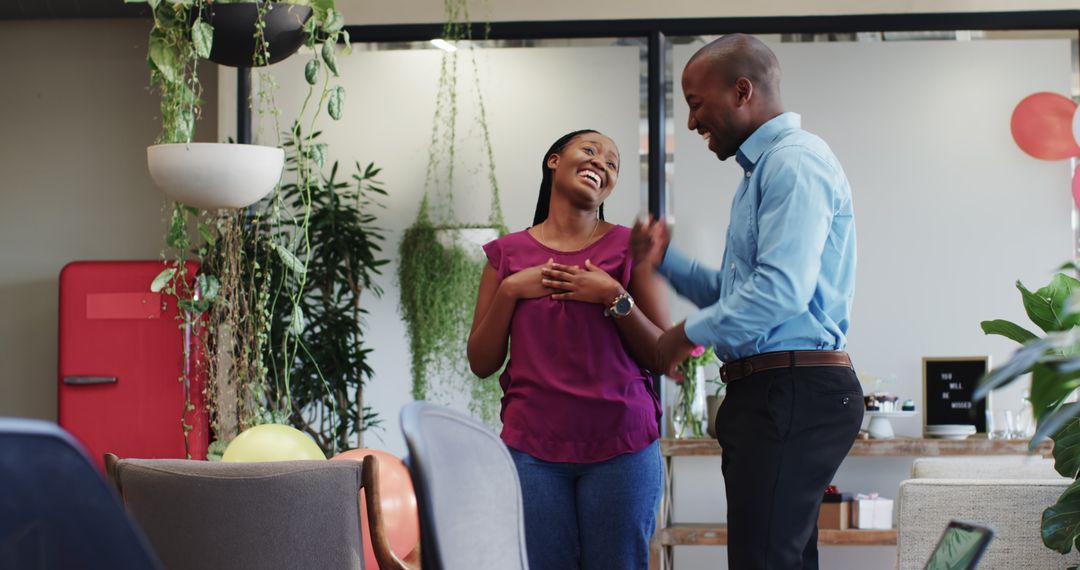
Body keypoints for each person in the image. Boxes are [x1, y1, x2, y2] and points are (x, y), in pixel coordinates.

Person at [632, 34, 862, 569]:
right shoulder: (762, 172)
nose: (691, 122)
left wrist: (681, 334)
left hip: (792, 392)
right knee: (780, 559)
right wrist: (666, 260)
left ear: (741, 91)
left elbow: (782, 292)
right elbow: (744, 295)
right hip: (774, 392)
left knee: (764, 561)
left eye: (695, 103)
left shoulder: (793, 163)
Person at [467, 129, 670, 570]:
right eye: (591, 151)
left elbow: (662, 354)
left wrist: (613, 294)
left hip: (623, 450)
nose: (602, 163)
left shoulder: (626, 249)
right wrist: (511, 292)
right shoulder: (506, 255)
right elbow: (481, 363)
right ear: (554, 161)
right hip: (532, 453)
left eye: (612, 163)